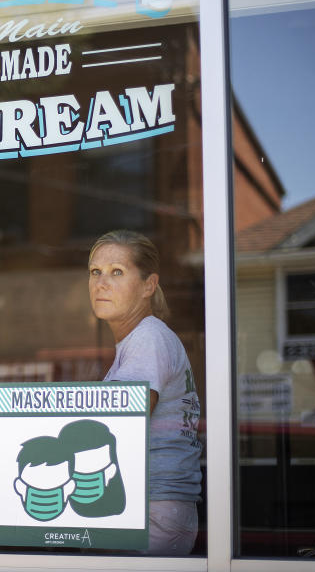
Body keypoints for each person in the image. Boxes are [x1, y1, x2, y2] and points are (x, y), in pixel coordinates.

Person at [87, 230, 202, 555]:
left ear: (148, 285)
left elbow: (120, 426)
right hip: (148, 507)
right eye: (95, 272)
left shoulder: (148, 338)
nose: (101, 283)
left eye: (117, 272)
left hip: (152, 510)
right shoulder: (140, 340)